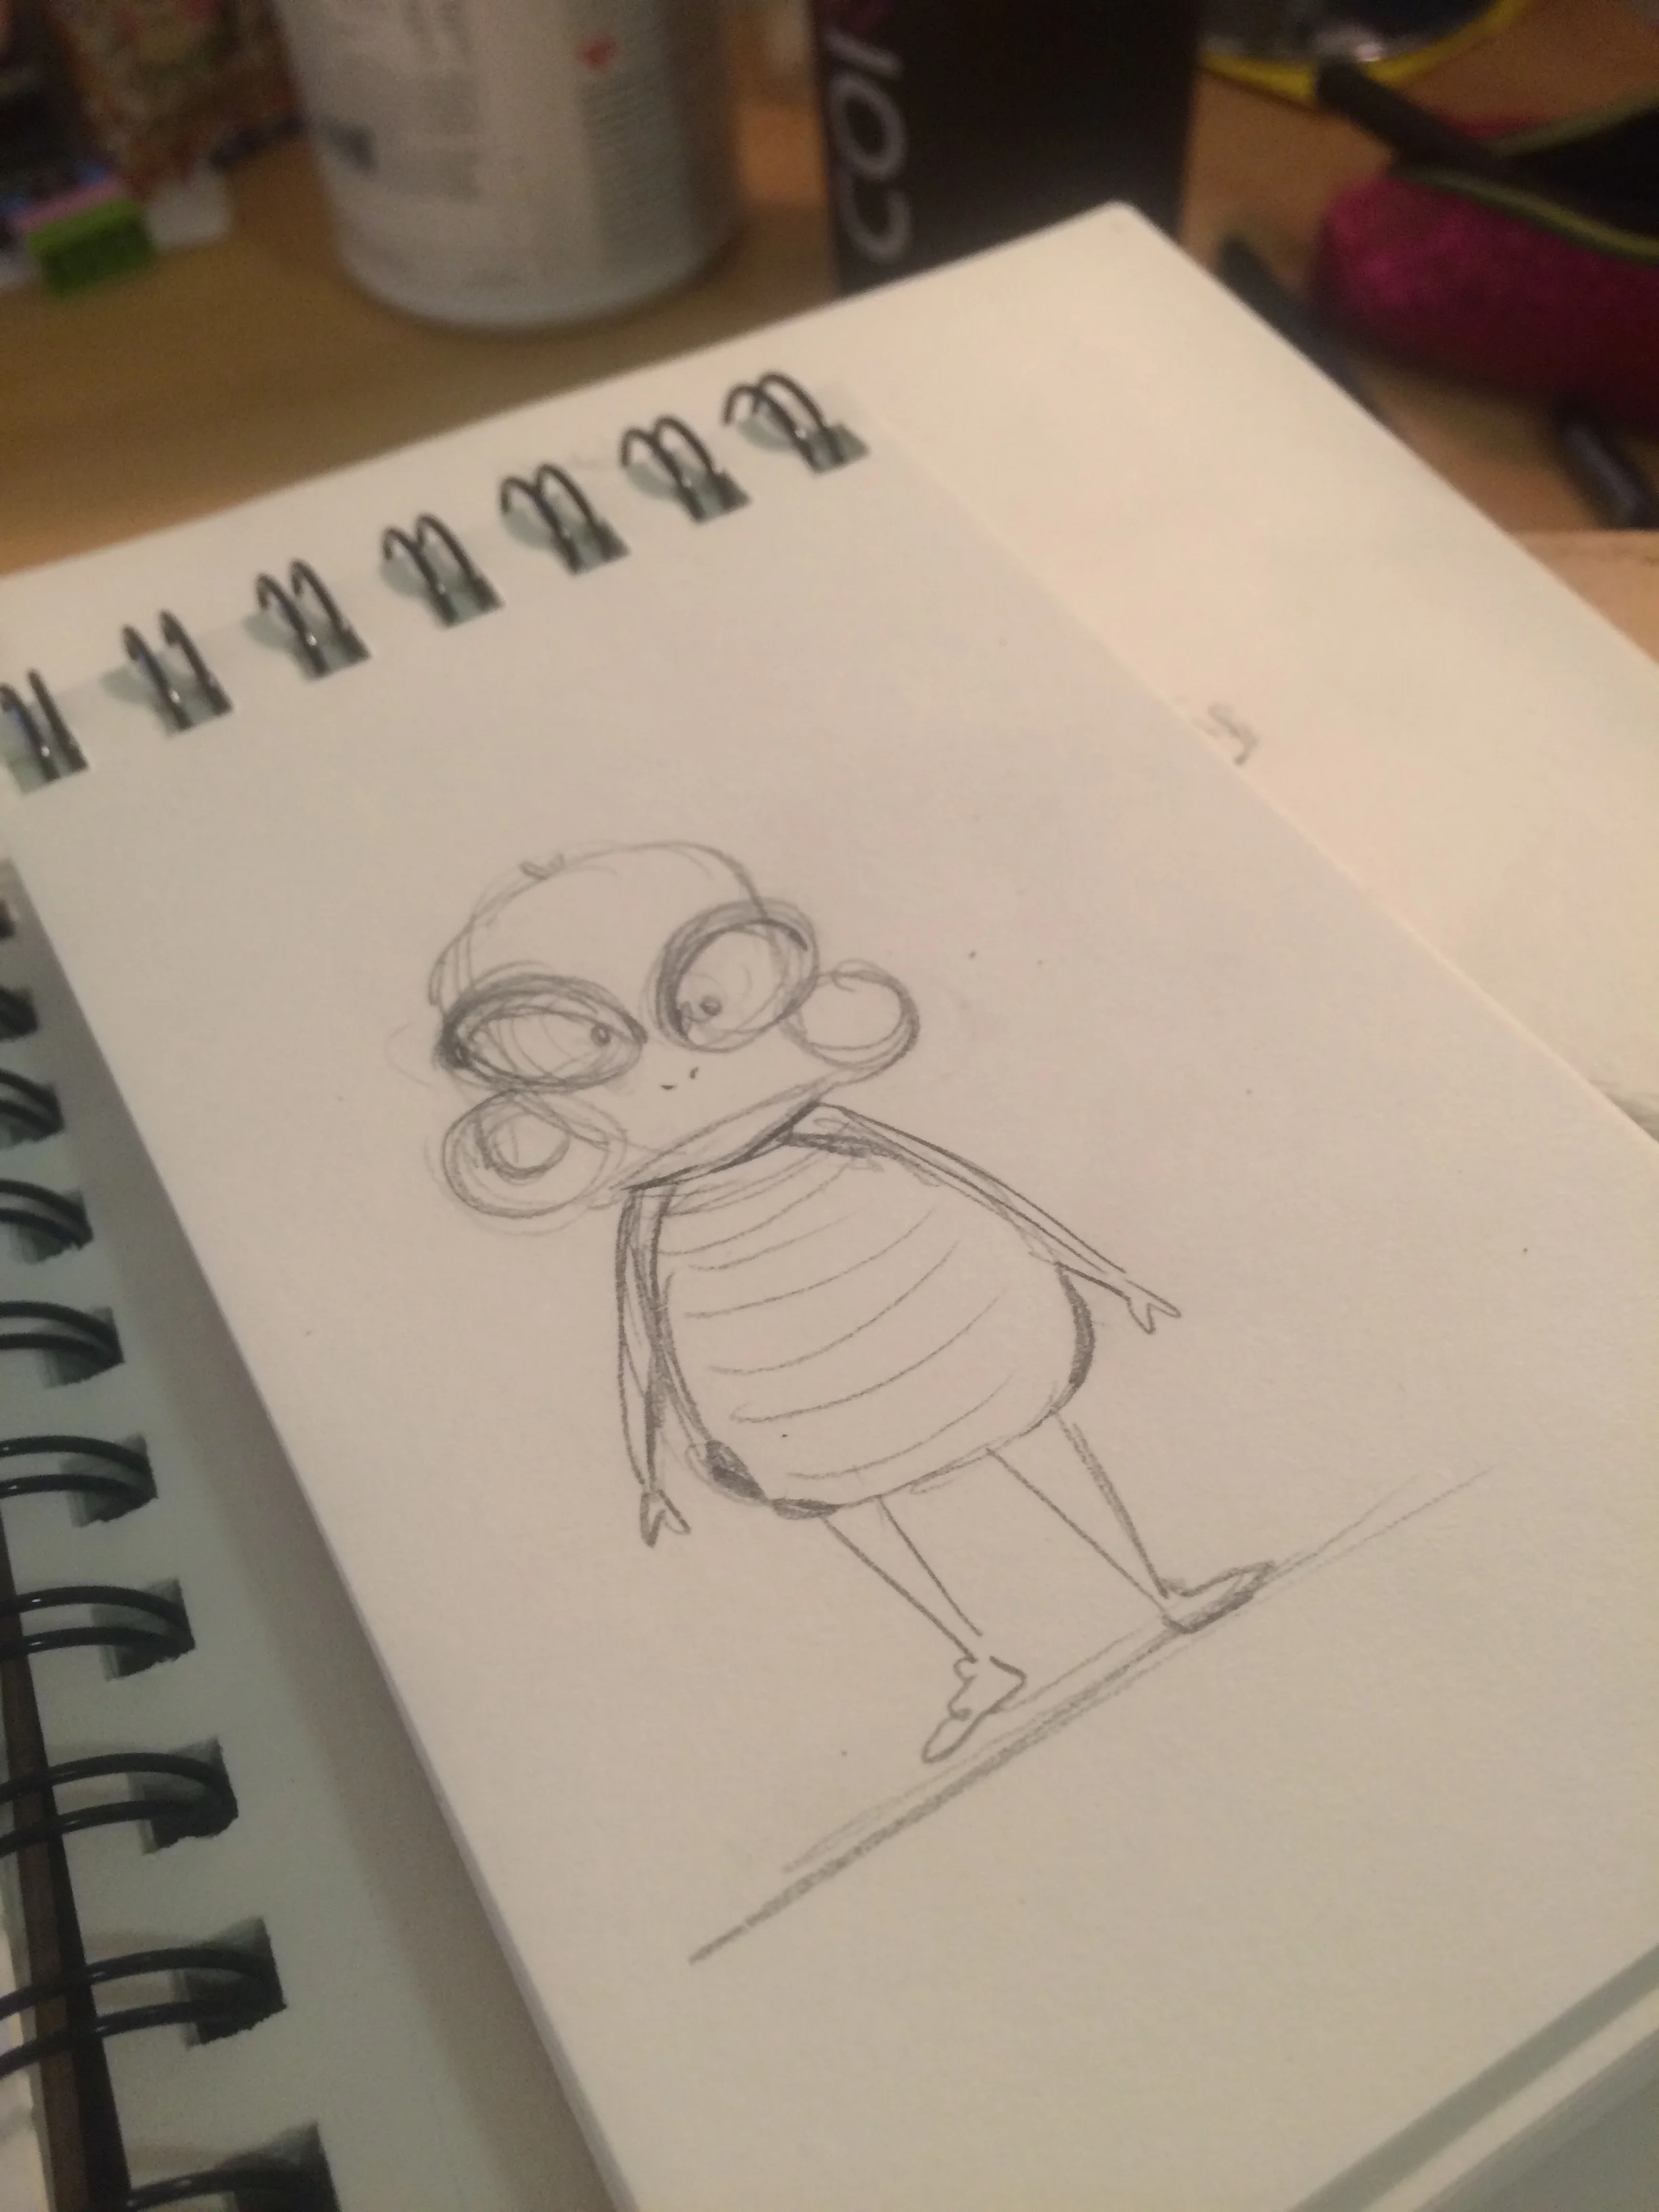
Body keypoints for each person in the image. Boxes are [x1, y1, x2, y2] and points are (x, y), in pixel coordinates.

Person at [432, 843, 1269, 1761]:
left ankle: (1157, 1588)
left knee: (1031, 1429)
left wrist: (1107, 1274)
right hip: (782, 1387)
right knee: (855, 1495)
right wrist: (649, 1469)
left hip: (948, 1308)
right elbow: (644, 1346)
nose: (670, 1072)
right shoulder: (656, 1212)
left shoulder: (823, 1132)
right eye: (584, 1051)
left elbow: (983, 1192)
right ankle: (985, 1656)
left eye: (704, 1008)